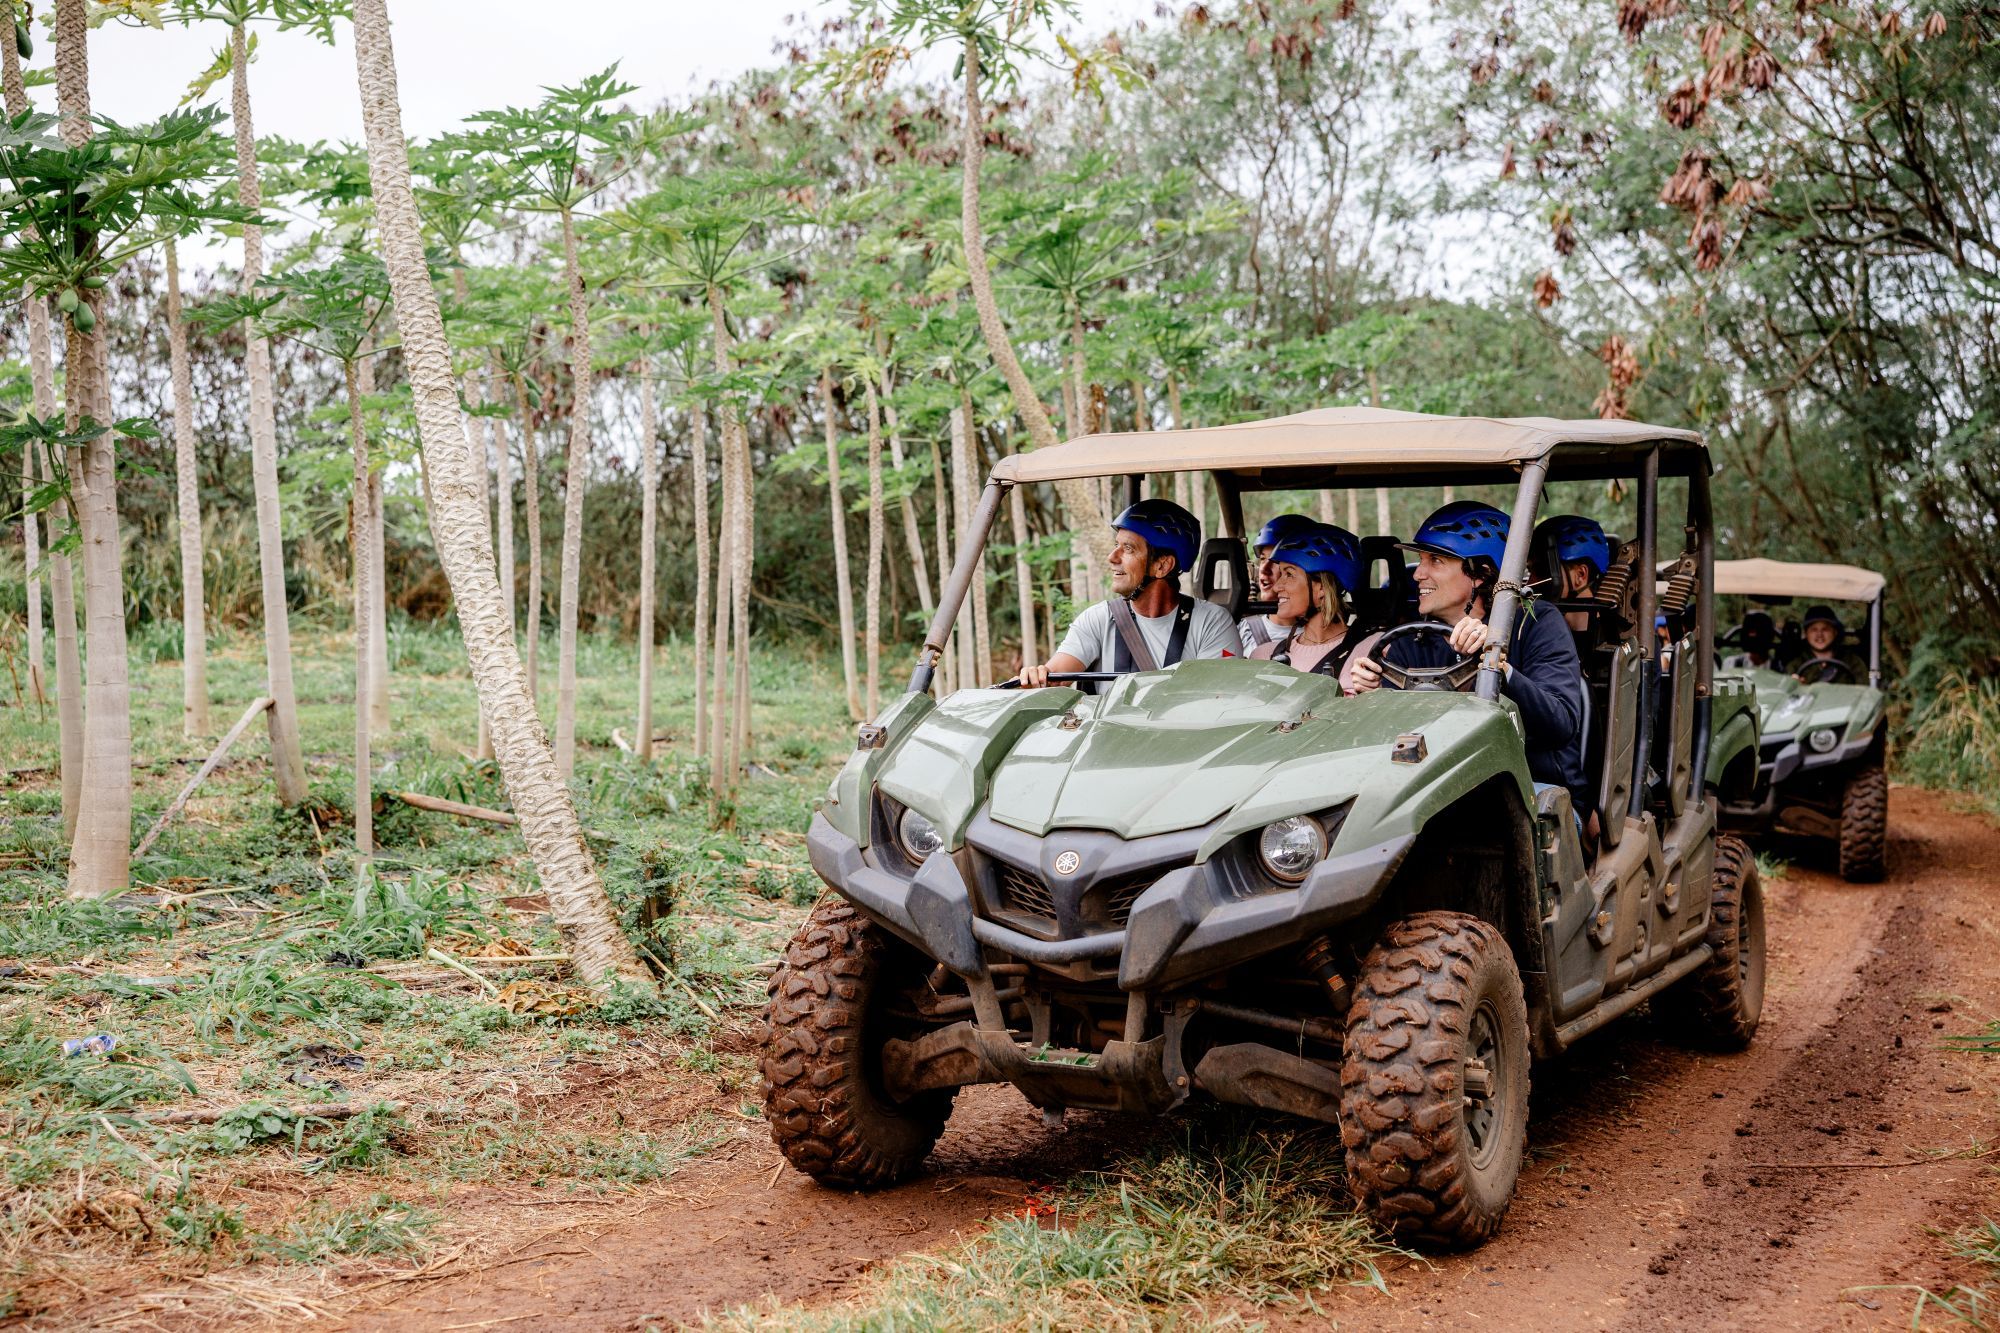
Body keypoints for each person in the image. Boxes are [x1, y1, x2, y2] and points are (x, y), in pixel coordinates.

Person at [1350, 500, 1591, 825]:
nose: (1418, 574)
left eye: (1435, 560)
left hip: (1532, 789)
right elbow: (1394, 743)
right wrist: (1372, 698)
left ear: (1481, 574)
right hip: (1435, 791)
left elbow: (1559, 725)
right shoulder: (1409, 639)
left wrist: (1499, 667)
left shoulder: (1536, 624)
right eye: (1420, 560)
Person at [1017, 498, 1238, 687]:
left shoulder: (1212, 623)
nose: (1112, 557)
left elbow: (1219, 699)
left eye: (1128, 548)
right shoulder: (1097, 620)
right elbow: (1055, 677)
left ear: (1161, 566)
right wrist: (1038, 679)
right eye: (1116, 545)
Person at [1249, 525, 1376, 692]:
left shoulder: (1375, 649)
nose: (1277, 586)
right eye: (1280, 574)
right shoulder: (1263, 656)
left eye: (1289, 574)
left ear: (1322, 587)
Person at [1240, 513, 1318, 652]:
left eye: (1276, 561)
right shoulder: (1241, 633)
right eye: (1263, 559)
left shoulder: (1325, 638)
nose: (1264, 569)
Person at [1531, 514, 1612, 634]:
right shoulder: (1539, 636)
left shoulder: (1613, 643)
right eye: (1529, 571)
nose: (1530, 582)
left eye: (1543, 571)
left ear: (1580, 575)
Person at [1794, 605, 1861, 683]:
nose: (1819, 634)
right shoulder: (1796, 665)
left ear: (1835, 632)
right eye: (1814, 630)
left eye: (1825, 629)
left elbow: (1865, 691)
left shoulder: (1853, 662)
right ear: (1806, 634)